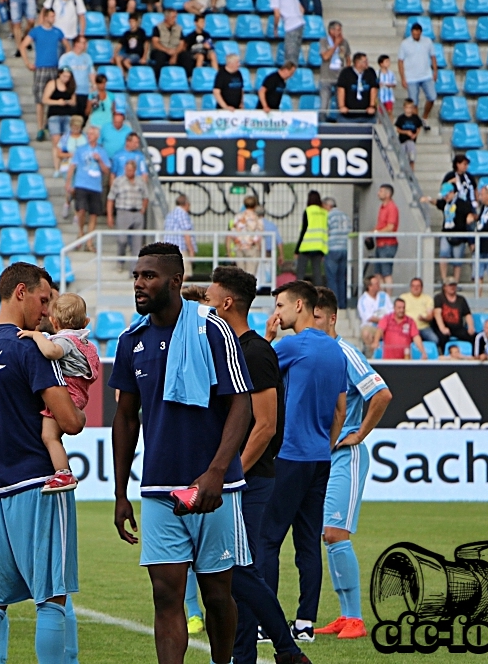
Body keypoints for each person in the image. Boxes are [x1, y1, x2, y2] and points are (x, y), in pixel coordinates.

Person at [110, 243, 253, 664]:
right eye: (136, 275)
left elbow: (240, 405)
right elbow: (125, 417)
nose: (139, 283)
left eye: (149, 276)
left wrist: (216, 473)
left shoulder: (212, 330)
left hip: (214, 488)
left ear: (175, 281)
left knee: (217, 595)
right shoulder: (130, 340)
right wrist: (121, 493)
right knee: (166, 597)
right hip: (158, 489)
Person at [0, 262, 85, 664]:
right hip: (41, 486)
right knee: (51, 599)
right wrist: (79, 414)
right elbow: (70, 423)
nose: (46, 311)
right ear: (20, 292)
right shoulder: (29, 347)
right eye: (43, 300)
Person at [205, 267, 313, 664]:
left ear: (227, 302)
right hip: (237, 479)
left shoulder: (256, 353)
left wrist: (231, 473)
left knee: (240, 571)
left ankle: (284, 649)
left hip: (253, 481)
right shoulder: (234, 348)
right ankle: (246, 654)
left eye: (211, 297)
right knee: (234, 574)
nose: (206, 304)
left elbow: (265, 425)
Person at [260, 279, 346, 643]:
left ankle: (267, 622)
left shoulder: (291, 345)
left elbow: (251, 369)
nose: (276, 312)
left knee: (267, 539)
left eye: (280, 305)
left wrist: (266, 337)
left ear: (299, 306)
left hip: (290, 454)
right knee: (308, 542)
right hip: (319, 458)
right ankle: (306, 623)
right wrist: (324, 444)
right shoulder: (336, 350)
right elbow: (340, 410)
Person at [310, 286, 392, 641]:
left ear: (331, 318)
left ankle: (356, 618)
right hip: (324, 455)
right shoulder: (316, 353)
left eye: (315, 317)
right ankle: (345, 615)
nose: (309, 323)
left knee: (335, 533)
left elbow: (382, 393)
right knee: (327, 535)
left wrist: (359, 434)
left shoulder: (345, 352)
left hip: (348, 454)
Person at [16, 292, 101, 493]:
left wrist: (36, 335)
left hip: (67, 393)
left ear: (54, 322)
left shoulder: (65, 340)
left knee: (49, 436)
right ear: (86, 322)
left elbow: (52, 352)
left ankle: (63, 473)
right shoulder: (85, 343)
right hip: (78, 394)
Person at [21, 9, 68, 141]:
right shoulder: (36, 31)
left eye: (54, 16)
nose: (53, 18)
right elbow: (23, 45)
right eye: (52, 16)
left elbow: (67, 46)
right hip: (41, 68)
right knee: (40, 99)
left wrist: (63, 62)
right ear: (45, 17)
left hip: (54, 68)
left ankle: (49, 123)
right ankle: (40, 128)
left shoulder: (57, 31)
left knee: (53, 98)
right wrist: (27, 63)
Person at [436, 155, 479, 282]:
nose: (465, 166)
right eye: (463, 164)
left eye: (467, 164)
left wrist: (475, 202)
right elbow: (442, 190)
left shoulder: (469, 177)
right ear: (457, 164)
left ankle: (475, 265)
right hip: (455, 209)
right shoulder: (450, 175)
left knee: (471, 236)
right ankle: (446, 279)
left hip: (468, 207)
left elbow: (474, 189)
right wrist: (451, 183)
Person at [66, 125, 111, 239]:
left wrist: (99, 159)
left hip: (95, 186)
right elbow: (72, 166)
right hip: (81, 183)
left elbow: (106, 170)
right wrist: (68, 182)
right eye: (88, 134)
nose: (89, 136)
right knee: (81, 210)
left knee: (93, 214)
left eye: (91, 134)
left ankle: (89, 240)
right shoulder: (81, 149)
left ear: (97, 136)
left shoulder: (102, 151)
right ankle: (81, 232)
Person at [108, 160, 150, 271]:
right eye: (127, 170)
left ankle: (134, 269)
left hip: (137, 212)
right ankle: (120, 261)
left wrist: (143, 209)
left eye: (131, 170)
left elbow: (146, 196)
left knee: (137, 243)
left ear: (135, 170)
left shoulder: (140, 181)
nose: (129, 172)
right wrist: (110, 216)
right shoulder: (118, 181)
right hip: (123, 212)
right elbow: (111, 198)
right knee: (122, 240)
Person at [398, 22, 437, 130]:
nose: (415, 35)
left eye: (417, 34)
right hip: (411, 77)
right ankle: (416, 122)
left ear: (420, 33)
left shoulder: (427, 41)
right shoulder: (405, 44)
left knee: (432, 97)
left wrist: (435, 71)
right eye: (414, 34)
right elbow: (400, 61)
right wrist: (403, 77)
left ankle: (424, 117)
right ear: (411, 32)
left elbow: (433, 57)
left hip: (426, 75)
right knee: (414, 102)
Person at [44, 68, 78, 163]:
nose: (66, 79)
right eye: (64, 76)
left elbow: (74, 101)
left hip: (67, 115)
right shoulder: (52, 84)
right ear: (59, 74)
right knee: (57, 142)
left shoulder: (70, 85)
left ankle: (65, 164)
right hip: (54, 115)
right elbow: (45, 99)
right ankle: (57, 167)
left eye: (68, 77)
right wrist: (57, 102)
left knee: (67, 142)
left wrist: (70, 102)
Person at [431, 278, 475, 352]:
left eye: (454, 285)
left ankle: (473, 355)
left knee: (473, 336)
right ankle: (443, 355)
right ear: (444, 287)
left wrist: (471, 327)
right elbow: (437, 314)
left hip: (458, 328)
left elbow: (467, 314)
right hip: (443, 327)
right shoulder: (439, 298)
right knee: (443, 337)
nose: (452, 287)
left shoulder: (461, 299)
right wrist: (443, 328)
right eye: (450, 285)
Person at [295, 190, 328, 286]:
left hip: (306, 246)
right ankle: (318, 294)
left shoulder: (308, 211)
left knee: (300, 272)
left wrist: (297, 250)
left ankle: (298, 293)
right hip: (319, 247)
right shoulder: (324, 213)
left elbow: (303, 231)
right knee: (317, 273)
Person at [318, 21, 351, 117]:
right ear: (331, 31)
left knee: (340, 104)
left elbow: (348, 57)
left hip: (340, 77)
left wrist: (347, 71)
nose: (340, 32)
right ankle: (322, 123)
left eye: (340, 30)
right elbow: (325, 57)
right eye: (338, 30)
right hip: (326, 77)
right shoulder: (323, 41)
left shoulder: (344, 42)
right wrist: (335, 45)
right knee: (324, 104)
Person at [336, 53, 378, 123]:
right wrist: (342, 106)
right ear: (357, 63)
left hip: (367, 116)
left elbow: (373, 89)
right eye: (365, 61)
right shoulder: (346, 72)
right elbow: (341, 90)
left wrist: (372, 106)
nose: (367, 63)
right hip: (348, 116)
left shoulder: (370, 72)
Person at [324, 197, 350, 308]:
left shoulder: (329, 216)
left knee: (332, 278)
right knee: (341, 278)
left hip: (332, 248)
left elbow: (326, 231)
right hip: (344, 248)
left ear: (328, 206)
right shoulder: (345, 216)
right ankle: (343, 304)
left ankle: (333, 304)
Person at [59, 36, 95, 117]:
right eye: (83, 43)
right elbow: (62, 75)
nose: (85, 45)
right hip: (71, 92)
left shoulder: (87, 57)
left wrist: (94, 84)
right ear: (76, 43)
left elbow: (91, 72)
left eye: (85, 43)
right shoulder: (66, 58)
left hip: (84, 91)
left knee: (83, 115)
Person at [357, 274, 393, 351]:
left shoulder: (384, 296)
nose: (379, 285)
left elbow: (391, 311)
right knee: (366, 334)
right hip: (371, 327)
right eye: (376, 284)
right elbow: (368, 317)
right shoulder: (363, 300)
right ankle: (371, 355)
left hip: (387, 326)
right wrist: (383, 321)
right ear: (369, 287)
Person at [373, 184, 399, 289]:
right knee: (378, 273)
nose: (378, 193)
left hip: (388, 244)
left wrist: (376, 233)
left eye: (381, 191)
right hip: (380, 244)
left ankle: (387, 298)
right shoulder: (382, 207)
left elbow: (390, 227)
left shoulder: (391, 207)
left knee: (386, 272)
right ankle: (382, 297)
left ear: (388, 194)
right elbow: (381, 225)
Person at [164, 195, 196, 279]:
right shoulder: (183, 214)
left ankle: (173, 290)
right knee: (185, 271)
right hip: (180, 248)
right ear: (186, 204)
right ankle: (177, 290)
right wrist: (191, 250)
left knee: (172, 272)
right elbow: (186, 233)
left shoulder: (170, 214)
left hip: (168, 248)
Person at [232, 195, 264, 276]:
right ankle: (248, 288)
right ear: (255, 205)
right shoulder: (257, 218)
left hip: (239, 246)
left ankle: (240, 288)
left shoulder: (238, 217)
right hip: (252, 247)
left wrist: (237, 240)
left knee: (240, 273)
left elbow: (233, 230)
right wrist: (253, 242)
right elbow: (259, 233)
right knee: (251, 273)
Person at [399, 277, 438, 344]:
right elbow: (398, 313)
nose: (415, 288)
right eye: (413, 286)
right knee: (401, 341)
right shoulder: (403, 297)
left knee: (435, 340)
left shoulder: (428, 298)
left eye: (418, 286)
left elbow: (430, 316)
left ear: (422, 287)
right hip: (408, 327)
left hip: (423, 327)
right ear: (410, 287)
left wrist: (424, 318)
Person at [149, 9, 185, 79]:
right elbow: (155, 43)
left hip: (175, 51)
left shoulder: (179, 28)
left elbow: (181, 44)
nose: (175, 19)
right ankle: (157, 78)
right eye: (173, 17)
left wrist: (175, 54)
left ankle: (187, 77)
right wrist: (167, 50)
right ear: (166, 17)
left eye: (175, 17)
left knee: (186, 56)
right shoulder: (157, 28)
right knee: (160, 57)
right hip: (162, 50)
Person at [271, 0, 305, 67]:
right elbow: (301, 9)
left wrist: (275, 28)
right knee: (295, 56)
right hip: (300, 24)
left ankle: (290, 76)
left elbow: (276, 14)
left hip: (291, 26)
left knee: (290, 58)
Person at [393, 99, 422, 169]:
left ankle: (412, 172)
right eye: (407, 107)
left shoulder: (415, 118)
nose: (409, 109)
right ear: (404, 108)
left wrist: (415, 135)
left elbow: (419, 127)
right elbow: (398, 129)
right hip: (402, 141)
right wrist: (406, 132)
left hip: (411, 140)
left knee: (412, 157)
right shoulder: (401, 118)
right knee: (403, 158)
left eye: (410, 107)